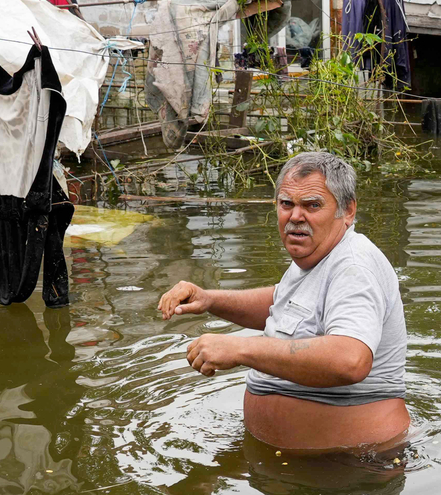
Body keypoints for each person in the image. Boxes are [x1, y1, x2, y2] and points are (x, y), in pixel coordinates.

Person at [156, 151, 409, 453]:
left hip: (353, 463)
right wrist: (210, 299)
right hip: (293, 463)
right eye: (287, 204)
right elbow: (284, 305)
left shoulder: (353, 267)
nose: (296, 216)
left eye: (312, 205)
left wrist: (240, 348)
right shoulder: (318, 255)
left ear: (348, 211)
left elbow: (350, 360)